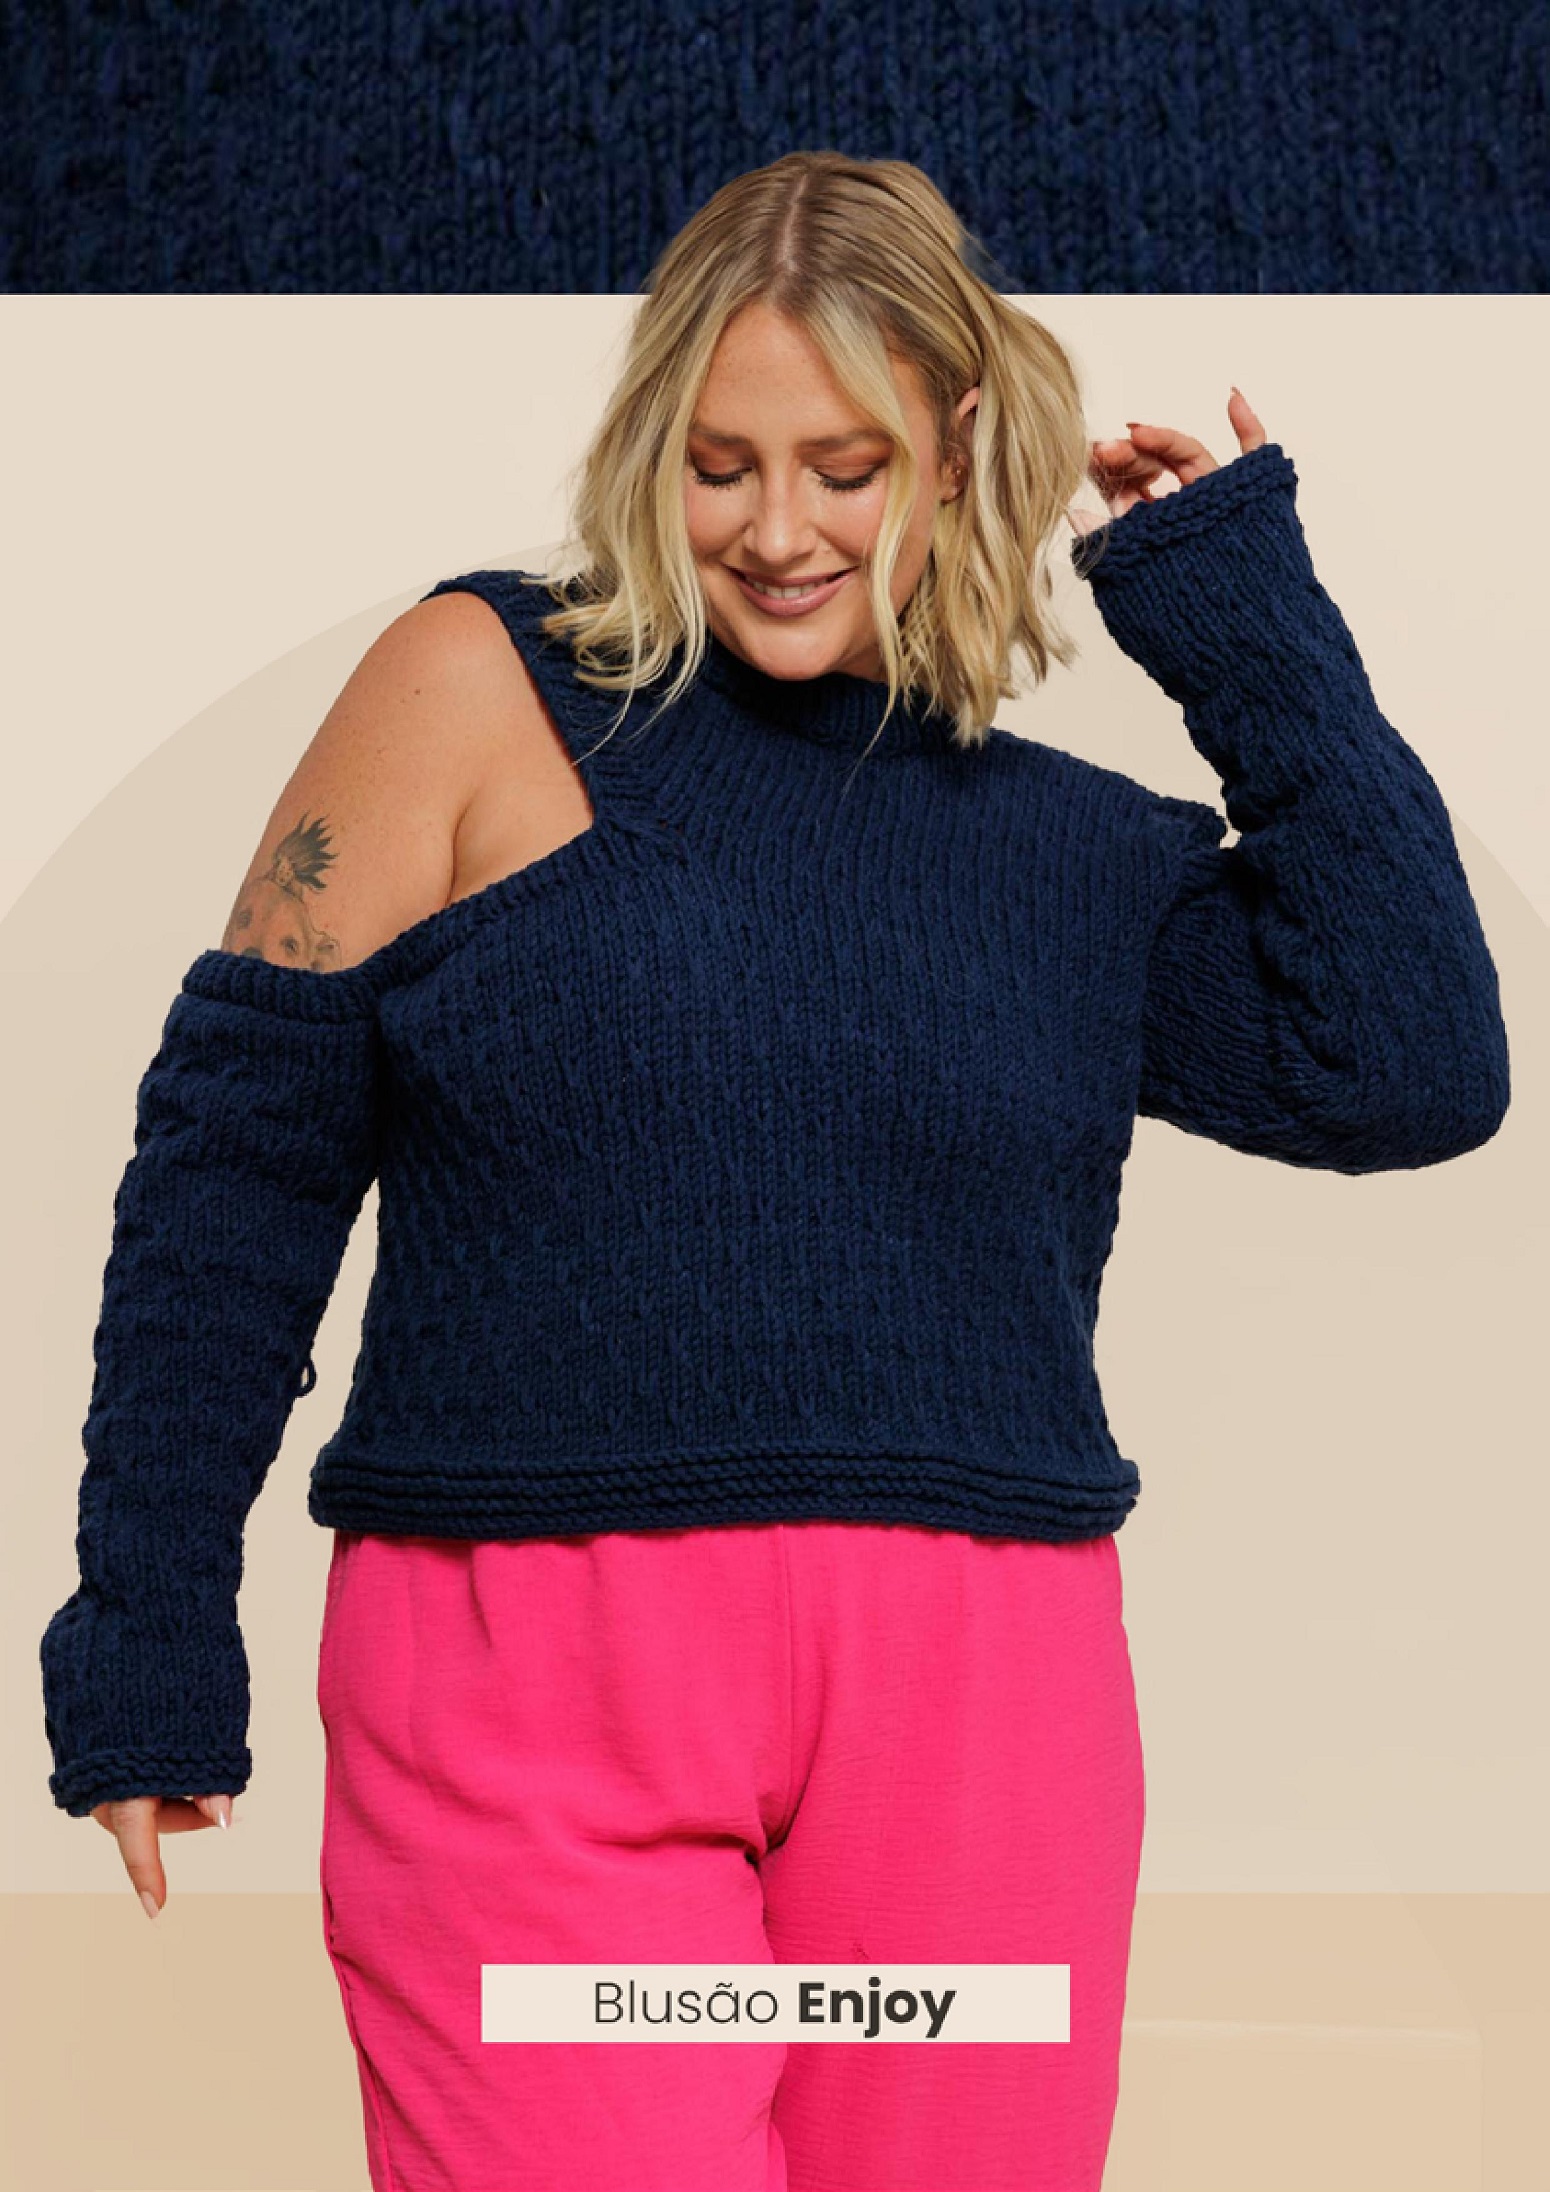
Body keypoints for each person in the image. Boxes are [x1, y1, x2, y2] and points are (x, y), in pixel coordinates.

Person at [39, 151, 1510, 2192]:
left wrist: (1242, 621)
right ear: (650, 446)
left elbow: (1412, 1068)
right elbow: (235, 1172)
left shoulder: (1068, 852)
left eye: (847, 465)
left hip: (980, 1713)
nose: (778, 528)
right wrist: (146, 1624)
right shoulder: (478, 688)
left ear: (958, 447)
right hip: (525, 1682)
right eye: (719, 464)